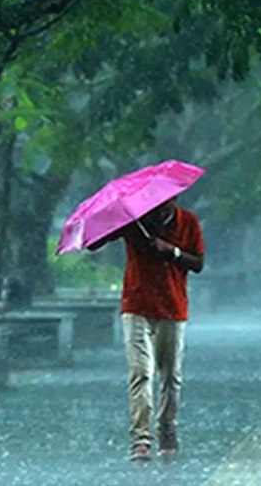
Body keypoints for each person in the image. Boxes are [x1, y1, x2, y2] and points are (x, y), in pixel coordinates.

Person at [88, 197, 204, 461]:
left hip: (173, 307)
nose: (158, 206)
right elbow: (94, 244)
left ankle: (167, 430)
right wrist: (110, 221)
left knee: (170, 376)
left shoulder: (188, 222)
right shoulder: (134, 221)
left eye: (165, 202)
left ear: (174, 199)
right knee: (141, 372)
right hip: (136, 305)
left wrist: (171, 252)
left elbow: (198, 263)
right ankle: (140, 439)